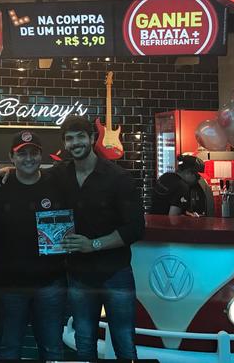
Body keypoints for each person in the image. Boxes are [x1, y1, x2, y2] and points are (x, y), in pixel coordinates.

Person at [55, 115, 145, 360]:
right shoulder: (60, 174)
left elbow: (135, 228)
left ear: (93, 138)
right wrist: (6, 172)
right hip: (78, 274)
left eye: (80, 137)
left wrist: (93, 245)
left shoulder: (118, 177)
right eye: (70, 138)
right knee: (84, 342)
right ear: (64, 143)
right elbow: (32, 178)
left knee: (124, 342)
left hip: (115, 273)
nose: (76, 143)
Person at [0, 131, 67, 360]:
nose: (28, 158)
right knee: (9, 348)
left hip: (50, 283)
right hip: (10, 285)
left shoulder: (56, 183)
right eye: (22, 154)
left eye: (33, 153)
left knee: (52, 349)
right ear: (11, 157)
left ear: (41, 156)